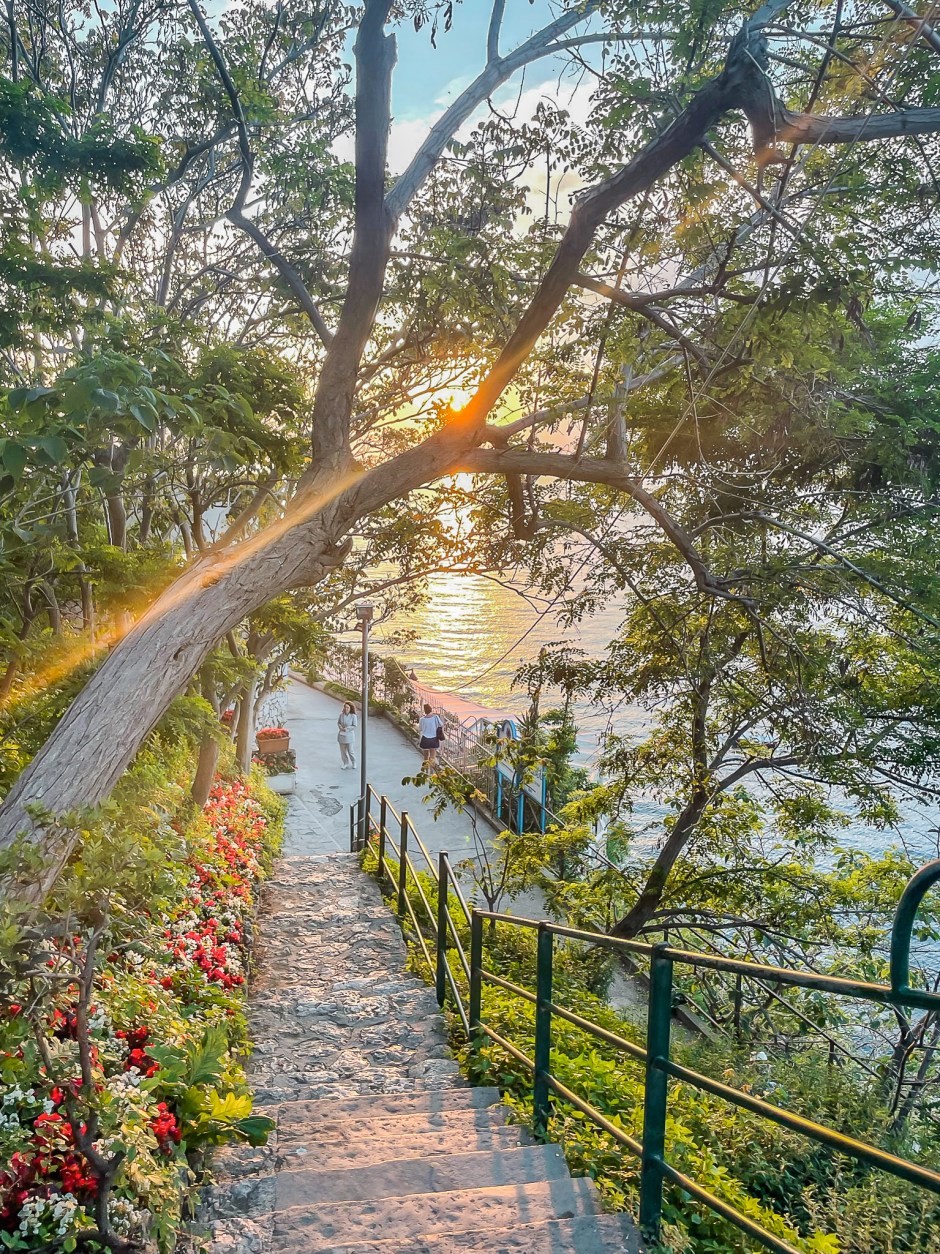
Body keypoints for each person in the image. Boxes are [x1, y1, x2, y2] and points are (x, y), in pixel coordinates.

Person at [417, 703, 444, 767]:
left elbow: (420, 728)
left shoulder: (422, 719)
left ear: (425, 711)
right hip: (434, 739)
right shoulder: (435, 717)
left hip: (425, 739)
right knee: (432, 756)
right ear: (431, 709)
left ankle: (425, 769)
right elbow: (441, 724)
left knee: (425, 756)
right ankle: (432, 770)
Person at [337, 702, 357, 770]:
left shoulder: (353, 716)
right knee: (343, 751)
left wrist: (347, 729)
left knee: (350, 751)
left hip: (349, 736)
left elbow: (354, 726)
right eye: (345, 707)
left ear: (350, 708)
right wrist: (340, 727)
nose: (346, 709)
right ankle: (345, 763)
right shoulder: (341, 715)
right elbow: (339, 722)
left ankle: (354, 762)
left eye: (347, 707)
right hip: (342, 735)